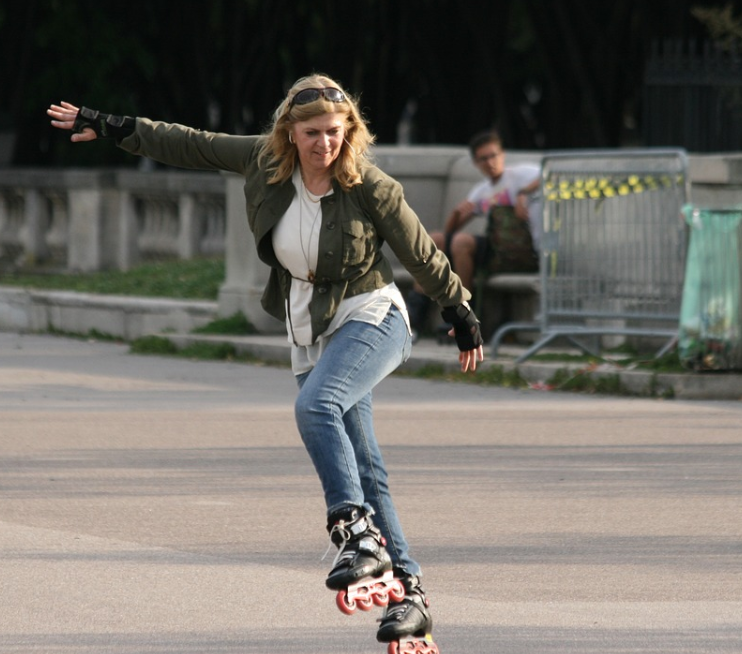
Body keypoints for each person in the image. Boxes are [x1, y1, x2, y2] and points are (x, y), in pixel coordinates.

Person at [48, 74, 482, 652]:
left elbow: (421, 254)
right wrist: (112, 126)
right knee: (367, 464)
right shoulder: (263, 162)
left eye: (334, 132)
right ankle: (412, 597)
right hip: (309, 326)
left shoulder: (370, 186)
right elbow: (191, 142)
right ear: (289, 133)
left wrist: (459, 312)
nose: (324, 144)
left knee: (317, 406)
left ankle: (354, 532)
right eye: (312, 133)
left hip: (373, 316)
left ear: (349, 132)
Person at [407, 130, 541, 339]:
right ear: (476, 163)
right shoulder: (482, 190)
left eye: (493, 155)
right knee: (435, 240)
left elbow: (550, 175)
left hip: (522, 251)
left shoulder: (521, 174)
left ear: (502, 154)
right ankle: (414, 318)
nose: (490, 162)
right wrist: (456, 213)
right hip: (497, 250)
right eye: (483, 159)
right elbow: (450, 232)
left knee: (461, 243)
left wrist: (523, 193)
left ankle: (463, 315)